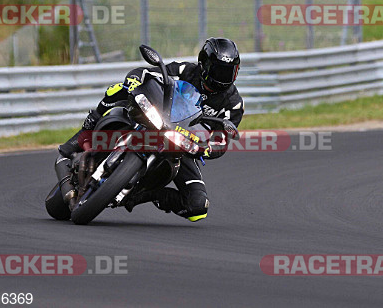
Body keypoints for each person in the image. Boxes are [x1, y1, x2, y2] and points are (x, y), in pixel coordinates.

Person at [55, 37, 243, 222]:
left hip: (183, 146)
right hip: (158, 120)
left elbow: (222, 140)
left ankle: (143, 195)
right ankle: (84, 131)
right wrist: (135, 80)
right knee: (118, 89)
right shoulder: (185, 70)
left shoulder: (233, 104)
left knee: (198, 207)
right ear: (204, 63)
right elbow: (148, 73)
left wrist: (209, 148)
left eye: (228, 72)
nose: (222, 76)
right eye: (217, 69)